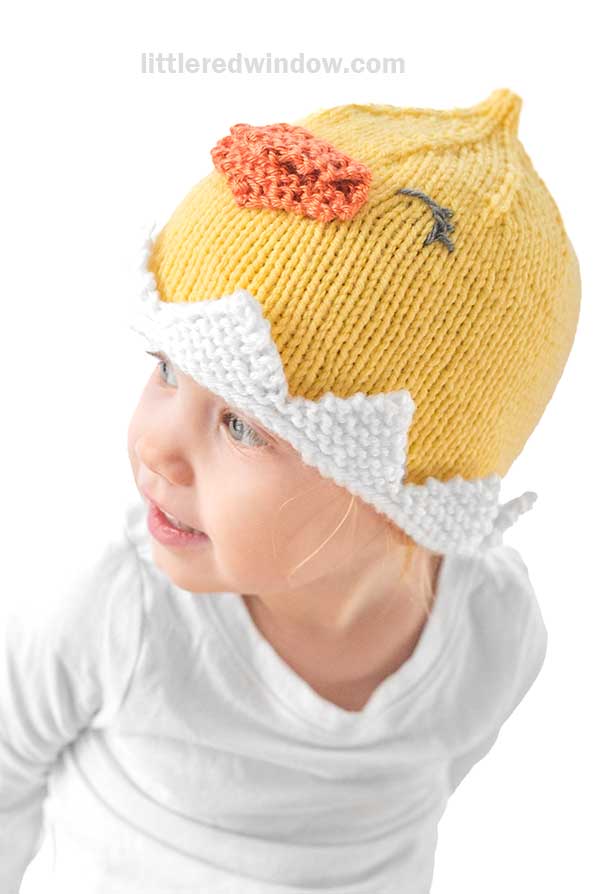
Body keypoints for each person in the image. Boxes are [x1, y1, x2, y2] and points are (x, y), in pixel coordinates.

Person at [1, 87, 581, 893]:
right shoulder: (107, 605)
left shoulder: (494, 636)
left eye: (242, 425)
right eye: (166, 369)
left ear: (399, 497)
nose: (158, 446)